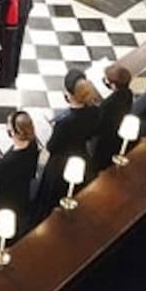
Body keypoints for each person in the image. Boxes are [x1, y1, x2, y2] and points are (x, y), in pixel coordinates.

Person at [33, 70, 101, 218]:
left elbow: (52, 147)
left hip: (60, 164)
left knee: (50, 199)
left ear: (69, 95)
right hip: (81, 154)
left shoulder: (64, 123)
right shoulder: (95, 111)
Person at [0, 111, 40, 233]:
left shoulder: (5, 163)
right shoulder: (33, 144)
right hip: (21, 195)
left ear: (15, 133)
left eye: (9, 131)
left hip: (3, 201)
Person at [89, 65, 134, 176]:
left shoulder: (108, 105)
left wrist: (96, 109)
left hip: (106, 140)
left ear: (113, 85)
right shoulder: (128, 93)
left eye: (107, 81)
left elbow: (99, 126)